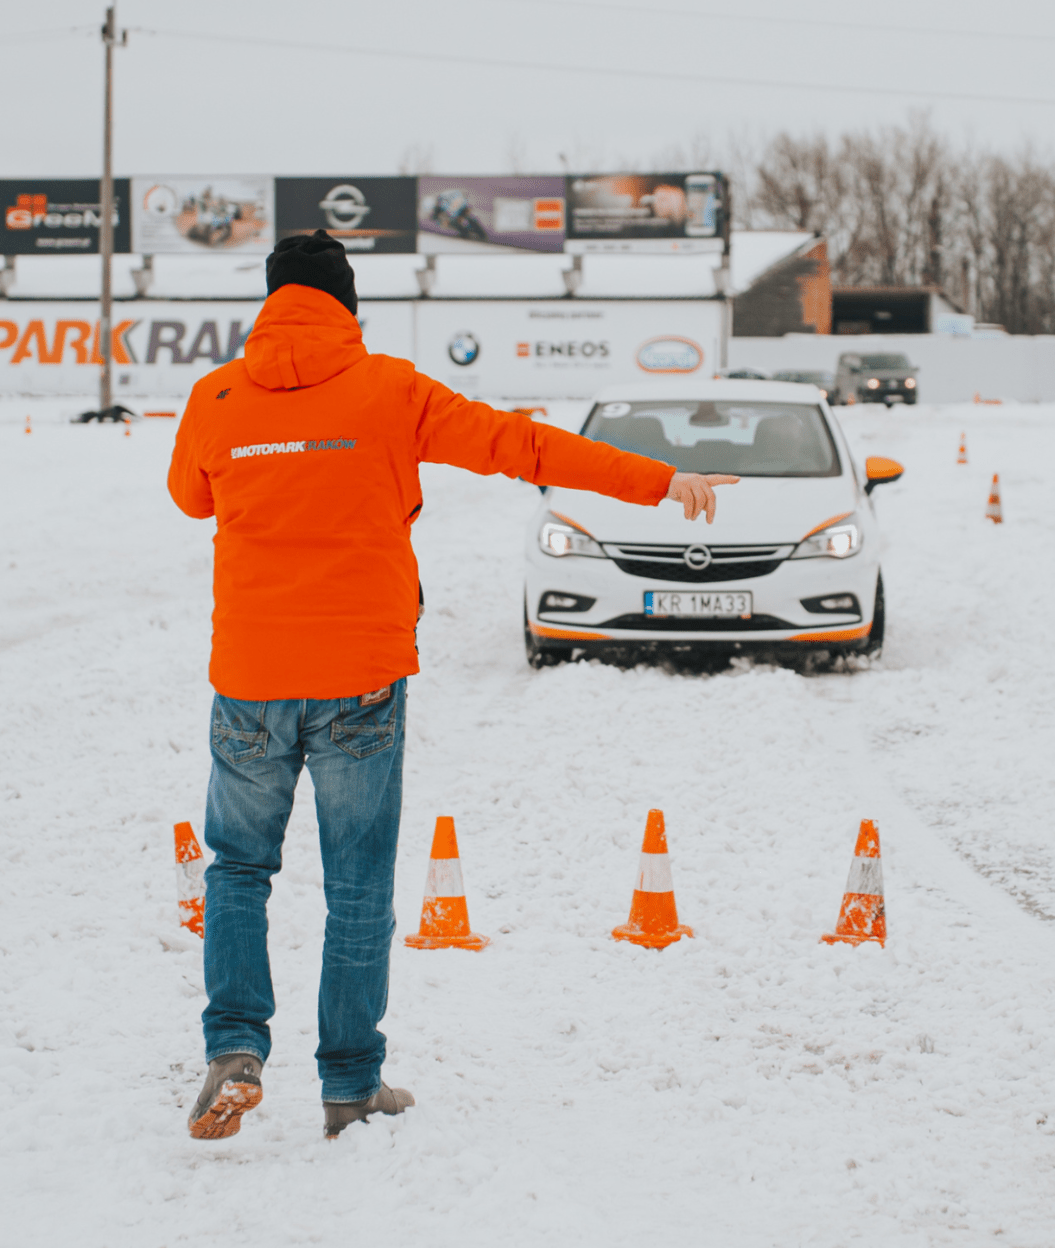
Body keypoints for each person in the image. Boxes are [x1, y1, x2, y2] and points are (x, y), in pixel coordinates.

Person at [168, 230, 737, 1141]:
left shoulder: (217, 396)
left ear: (270, 304)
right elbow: (523, 446)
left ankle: (235, 1046)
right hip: (358, 677)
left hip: (250, 676)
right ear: (348, 306)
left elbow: (191, 496)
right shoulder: (389, 388)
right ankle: (349, 1084)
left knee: (238, 866)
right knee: (358, 883)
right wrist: (660, 480)